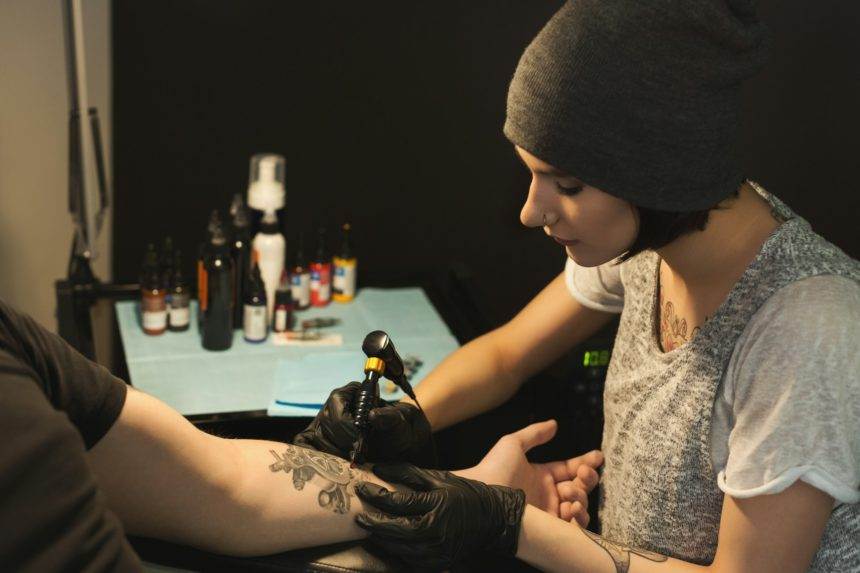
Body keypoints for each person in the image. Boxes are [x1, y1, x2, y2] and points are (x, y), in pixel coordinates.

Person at [298, 1, 860, 571]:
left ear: (660, 174)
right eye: (533, 174)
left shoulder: (808, 330)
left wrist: (513, 525)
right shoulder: (648, 237)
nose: (530, 211)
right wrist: (401, 418)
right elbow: (505, 356)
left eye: (566, 185)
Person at [0, 297, 599, 571]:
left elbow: (225, 485)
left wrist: (466, 487)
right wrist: (510, 523)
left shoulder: (14, 348)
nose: (529, 213)